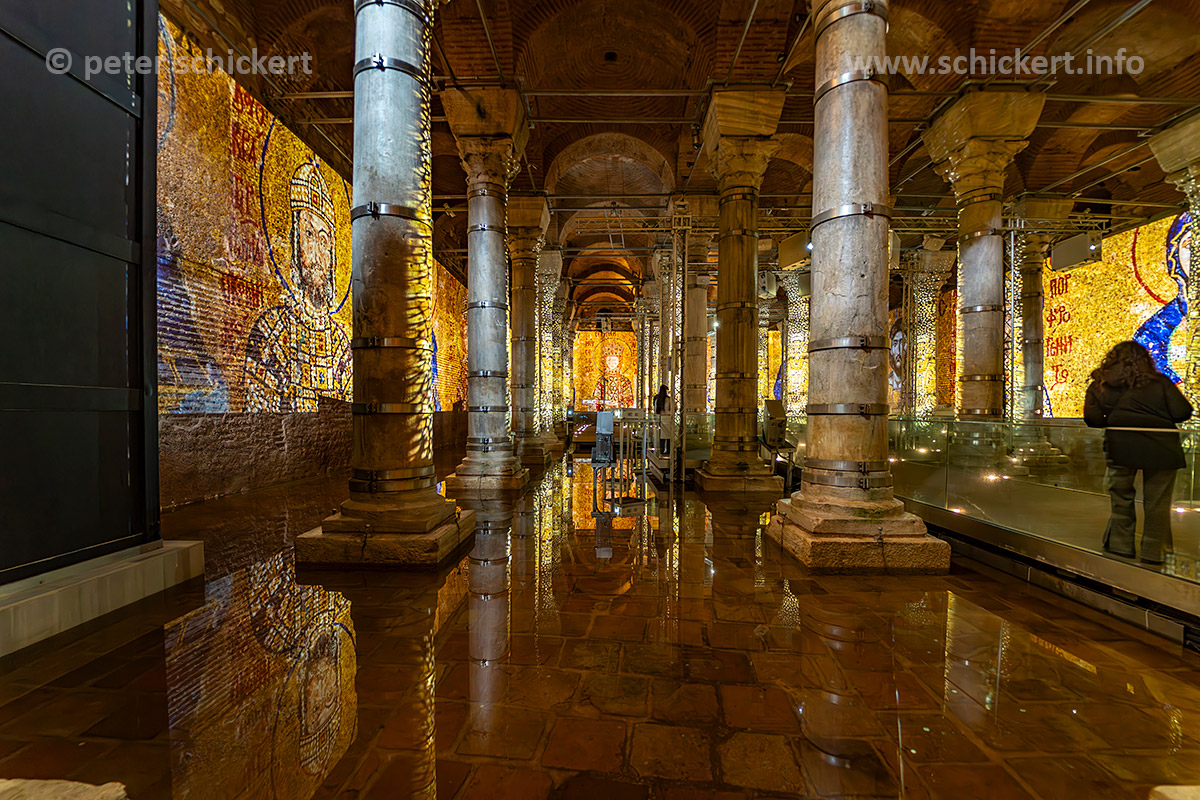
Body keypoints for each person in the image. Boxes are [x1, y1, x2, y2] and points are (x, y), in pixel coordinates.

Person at [243, 162, 352, 412]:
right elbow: (258, 414)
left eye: (324, 241)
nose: (317, 254)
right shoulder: (272, 331)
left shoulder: (341, 347)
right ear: (295, 241)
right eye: (309, 235)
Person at [1084, 340, 1192, 564]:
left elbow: (1093, 419)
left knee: (1121, 501)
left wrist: (1115, 419)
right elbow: (1182, 412)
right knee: (1157, 504)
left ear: (1111, 359)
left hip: (1120, 449)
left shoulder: (1101, 384)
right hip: (1162, 449)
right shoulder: (1159, 382)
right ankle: (1154, 553)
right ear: (1145, 360)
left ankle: (1121, 546)